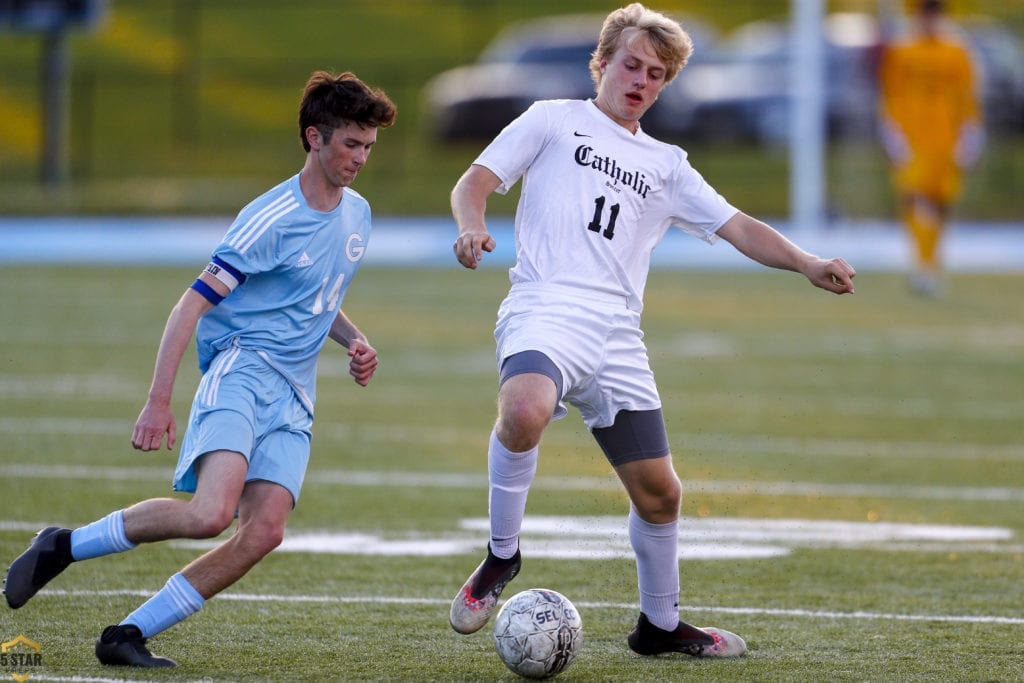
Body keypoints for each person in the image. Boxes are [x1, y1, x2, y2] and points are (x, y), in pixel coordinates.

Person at [448, 2, 856, 660]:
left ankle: (659, 625)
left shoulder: (667, 163)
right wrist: (471, 224)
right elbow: (476, 181)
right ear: (602, 63)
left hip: (616, 335)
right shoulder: (553, 119)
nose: (640, 80)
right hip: (547, 306)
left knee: (662, 493)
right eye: (631, 64)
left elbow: (739, 226)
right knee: (524, 408)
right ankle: (500, 557)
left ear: (664, 86)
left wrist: (807, 262)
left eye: (656, 74)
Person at [3, 70, 396, 667]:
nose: (361, 158)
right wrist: (158, 401)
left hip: (296, 394)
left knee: (263, 532)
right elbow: (190, 304)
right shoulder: (269, 218)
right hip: (241, 370)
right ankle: (62, 545)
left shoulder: (359, 214)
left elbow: (316, 293)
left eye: (369, 146)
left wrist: (353, 339)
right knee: (210, 514)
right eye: (350, 144)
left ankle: (127, 634)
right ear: (314, 138)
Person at [878, 0, 983, 296]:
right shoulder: (902, 51)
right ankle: (921, 265)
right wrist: (891, 133)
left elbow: (967, 96)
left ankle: (931, 263)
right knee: (913, 197)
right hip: (913, 140)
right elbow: (891, 94)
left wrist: (971, 134)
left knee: (941, 203)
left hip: (946, 140)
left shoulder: (957, 52)